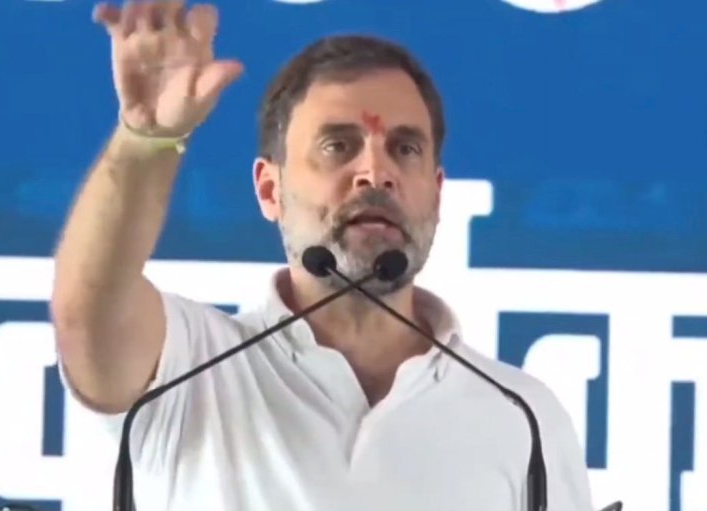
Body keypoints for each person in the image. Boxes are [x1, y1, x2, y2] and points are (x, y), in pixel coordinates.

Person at [50, 1, 594, 510]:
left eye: (405, 148)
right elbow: (87, 314)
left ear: (436, 193)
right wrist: (144, 141)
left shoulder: (521, 415)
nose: (375, 172)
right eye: (338, 145)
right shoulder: (191, 367)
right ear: (270, 190)